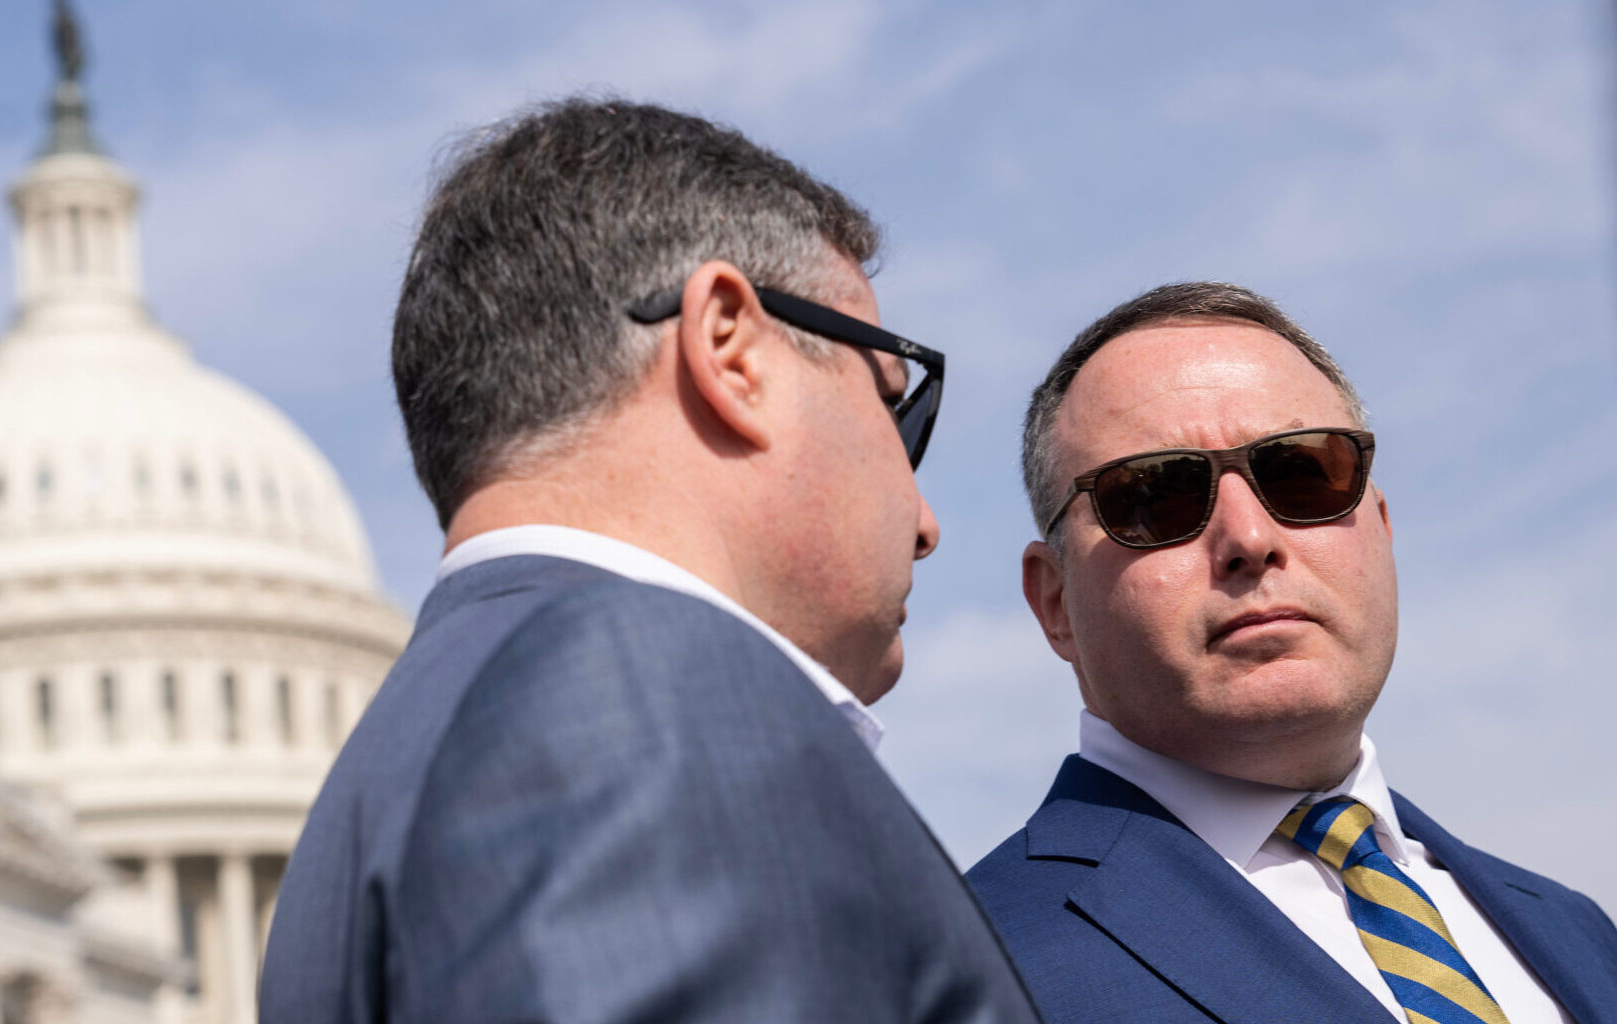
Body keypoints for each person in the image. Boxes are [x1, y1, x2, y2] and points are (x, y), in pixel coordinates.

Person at [260, 98, 1040, 1024]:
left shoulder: (379, 784)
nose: (925, 521)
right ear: (731, 350)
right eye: (891, 402)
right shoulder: (640, 697)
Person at [967, 282, 1617, 1024]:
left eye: (1304, 474)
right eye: (1157, 496)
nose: (1249, 538)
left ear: (1381, 527)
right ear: (1054, 602)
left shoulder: (1579, 934)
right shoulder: (962, 974)